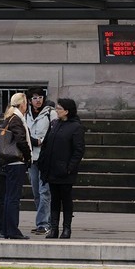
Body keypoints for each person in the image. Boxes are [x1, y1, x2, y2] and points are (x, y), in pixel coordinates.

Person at [38, 97, 86, 239]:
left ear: (67, 111)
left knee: (66, 200)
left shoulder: (76, 127)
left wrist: (70, 167)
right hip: (52, 169)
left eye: (59, 109)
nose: (57, 111)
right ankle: (54, 228)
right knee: (54, 200)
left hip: (65, 171)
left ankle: (66, 228)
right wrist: (43, 162)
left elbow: (78, 150)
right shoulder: (54, 124)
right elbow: (46, 144)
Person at [0, 91, 31, 240]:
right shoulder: (16, 120)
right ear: (22, 104)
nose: (27, 106)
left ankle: (5, 229)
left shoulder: (9, 118)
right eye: (26, 103)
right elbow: (21, 140)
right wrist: (28, 156)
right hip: (15, 162)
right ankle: (12, 230)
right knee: (13, 198)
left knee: (7, 197)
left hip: (6, 162)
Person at [25, 88, 54, 235]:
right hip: (32, 158)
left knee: (45, 192)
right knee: (36, 192)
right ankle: (44, 220)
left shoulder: (50, 113)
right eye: (35, 98)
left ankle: (44, 223)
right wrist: (33, 141)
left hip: (45, 157)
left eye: (40, 97)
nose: (38, 100)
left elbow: (54, 132)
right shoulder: (26, 114)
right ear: (30, 100)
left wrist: (43, 141)